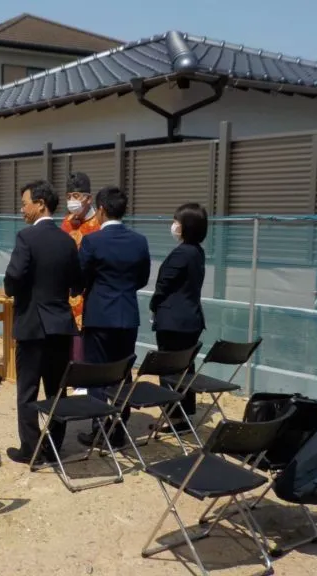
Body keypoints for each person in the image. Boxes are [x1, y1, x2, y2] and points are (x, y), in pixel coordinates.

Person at [4, 180, 83, 464]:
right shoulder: (67, 240)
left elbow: (14, 275)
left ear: (40, 204)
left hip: (32, 324)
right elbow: (77, 282)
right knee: (57, 390)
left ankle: (31, 449)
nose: (22, 208)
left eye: (25, 203)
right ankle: (54, 444)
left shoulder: (26, 238)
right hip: (61, 325)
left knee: (27, 390)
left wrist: (12, 290)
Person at [77, 186, 151, 449]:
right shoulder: (139, 241)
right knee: (123, 373)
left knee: (97, 373)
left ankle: (100, 428)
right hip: (128, 314)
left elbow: (80, 278)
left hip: (99, 315)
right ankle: (119, 428)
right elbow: (142, 278)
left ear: (101, 210)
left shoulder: (92, 241)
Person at [149, 202, 208, 433]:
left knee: (170, 370)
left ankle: (173, 417)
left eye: (176, 221)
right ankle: (184, 415)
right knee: (185, 368)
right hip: (191, 319)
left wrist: (154, 305)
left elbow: (163, 285)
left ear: (186, 226)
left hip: (173, 321)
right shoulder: (197, 252)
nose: (173, 226)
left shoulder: (181, 253)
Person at [60, 172, 100, 364]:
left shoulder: (98, 224)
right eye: (68, 197)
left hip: (90, 293)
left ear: (88, 198)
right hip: (66, 293)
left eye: (76, 196)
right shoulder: (66, 222)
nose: (71, 201)